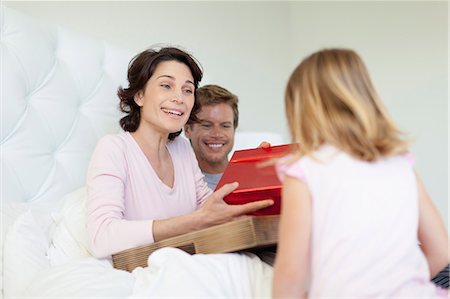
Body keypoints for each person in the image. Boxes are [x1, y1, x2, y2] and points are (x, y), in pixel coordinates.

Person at [272, 49, 449, 298]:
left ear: (302, 110)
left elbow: (290, 273)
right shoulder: (400, 163)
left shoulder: (304, 170)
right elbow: (441, 253)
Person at [86, 47, 273, 258]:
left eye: (187, 90)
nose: (179, 98)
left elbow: (214, 210)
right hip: (143, 270)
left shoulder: (182, 149)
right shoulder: (114, 148)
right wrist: (194, 221)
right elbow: (101, 238)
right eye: (166, 86)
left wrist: (255, 175)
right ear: (139, 95)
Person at [184, 84, 239, 190]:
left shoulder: (248, 177)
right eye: (207, 125)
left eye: (225, 126)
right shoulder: (178, 183)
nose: (217, 134)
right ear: (187, 130)